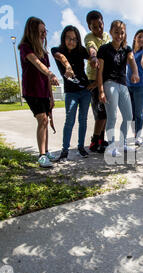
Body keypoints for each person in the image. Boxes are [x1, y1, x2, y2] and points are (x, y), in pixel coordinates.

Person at [18, 17, 59, 168]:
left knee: (46, 121)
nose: (43, 35)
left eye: (44, 31)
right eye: (40, 32)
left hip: (44, 92)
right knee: (42, 119)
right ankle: (42, 156)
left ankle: (46, 151)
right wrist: (51, 74)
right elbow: (37, 63)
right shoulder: (25, 47)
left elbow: (46, 75)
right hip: (31, 91)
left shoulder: (44, 53)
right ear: (32, 32)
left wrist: (52, 98)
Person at [97, 20, 139, 157]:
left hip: (123, 84)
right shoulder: (104, 49)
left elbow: (132, 62)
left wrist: (135, 73)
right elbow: (100, 71)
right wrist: (101, 90)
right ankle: (111, 146)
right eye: (116, 32)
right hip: (109, 83)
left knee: (128, 116)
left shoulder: (127, 49)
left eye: (122, 33)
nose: (119, 36)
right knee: (112, 116)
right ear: (111, 32)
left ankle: (122, 143)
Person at [51, 25, 94, 161]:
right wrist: (68, 66)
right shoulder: (56, 50)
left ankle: (81, 147)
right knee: (69, 120)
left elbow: (96, 59)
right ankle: (65, 150)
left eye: (75, 39)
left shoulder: (80, 50)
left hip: (85, 91)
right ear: (64, 38)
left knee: (83, 120)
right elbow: (61, 57)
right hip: (71, 93)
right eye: (69, 38)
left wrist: (96, 83)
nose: (72, 42)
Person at [84, 10, 111, 153]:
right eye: (94, 27)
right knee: (99, 113)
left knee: (106, 112)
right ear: (89, 27)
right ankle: (95, 141)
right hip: (94, 79)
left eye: (100, 25)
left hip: (106, 79)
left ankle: (101, 138)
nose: (98, 29)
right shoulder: (89, 37)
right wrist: (93, 58)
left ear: (103, 22)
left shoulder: (107, 36)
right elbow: (92, 48)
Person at [127, 29, 143, 146]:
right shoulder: (129, 51)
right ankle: (134, 133)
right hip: (128, 85)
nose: (141, 39)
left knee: (138, 112)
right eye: (140, 37)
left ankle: (138, 136)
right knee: (130, 113)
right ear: (134, 38)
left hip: (140, 86)